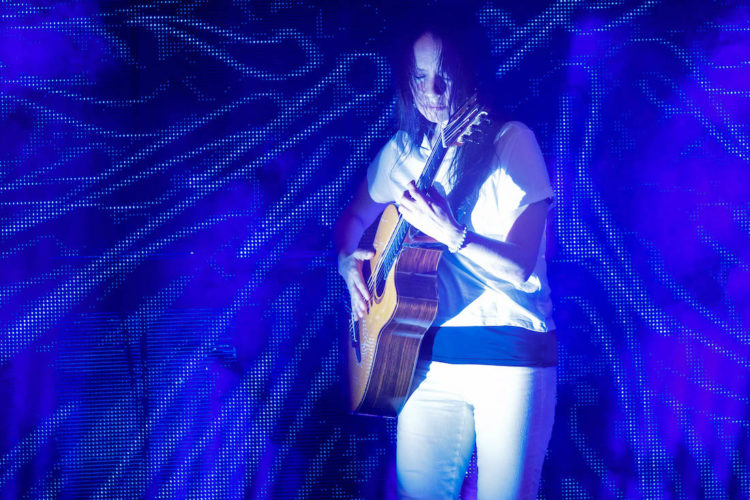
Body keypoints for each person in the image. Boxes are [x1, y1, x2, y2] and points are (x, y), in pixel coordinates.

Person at [334, 12, 557, 500]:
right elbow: (351, 218)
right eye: (420, 76)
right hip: (423, 362)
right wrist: (346, 262)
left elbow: (521, 266)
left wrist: (453, 234)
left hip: (510, 358)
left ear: (470, 71)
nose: (432, 91)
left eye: (445, 75)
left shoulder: (511, 141)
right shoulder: (403, 151)